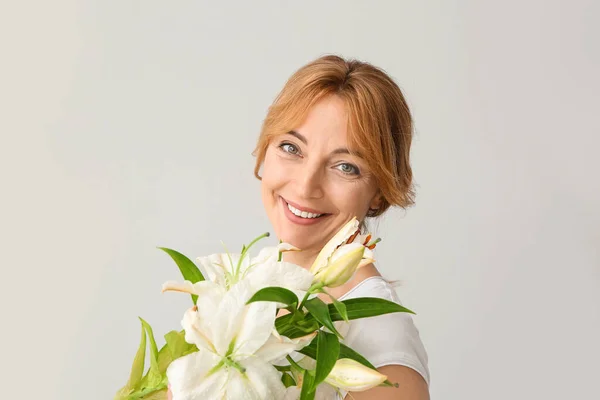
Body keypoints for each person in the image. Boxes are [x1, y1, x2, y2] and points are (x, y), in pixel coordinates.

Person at [169, 54, 430, 399]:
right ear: (265, 150)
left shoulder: (381, 340)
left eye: (346, 167)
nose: (306, 186)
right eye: (291, 147)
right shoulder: (248, 282)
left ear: (380, 193)